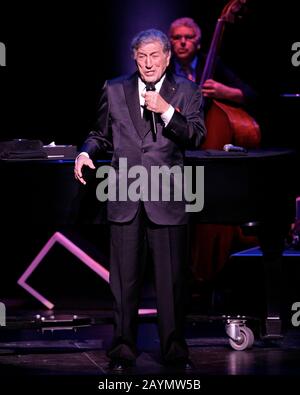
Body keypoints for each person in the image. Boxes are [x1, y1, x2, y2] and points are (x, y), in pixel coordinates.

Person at [74, 29, 206, 372]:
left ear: (167, 57)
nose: (148, 63)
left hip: (169, 198)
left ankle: (176, 353)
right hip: (125, 196)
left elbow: (195, 135)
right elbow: (99, 135)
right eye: (141, 57)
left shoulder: (187, 90)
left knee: (172, 285)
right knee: (123, 284)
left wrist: (166, 111)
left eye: (154, 56)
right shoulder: (115, 88)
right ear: (135, 58)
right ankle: (121, 352)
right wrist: (86, 153)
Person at [168, 17, 259, 292]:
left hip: (213, 165)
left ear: (198, 42)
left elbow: (252, 95)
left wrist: (224, 91)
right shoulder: (164, 68)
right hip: (177, 155)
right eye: (176, 37)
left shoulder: (213, 64)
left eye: (188, 37)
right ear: (170, 42)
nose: (183, 42)